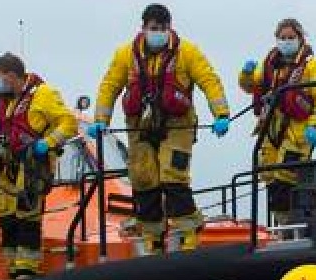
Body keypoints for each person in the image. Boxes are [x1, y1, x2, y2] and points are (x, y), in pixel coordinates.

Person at [90, 3, 231, 253]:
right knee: (143, 178)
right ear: (144, 28)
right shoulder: (125, 55)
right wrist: (101, 119)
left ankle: (188, 231)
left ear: (170, 27)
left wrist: (221, 114)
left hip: (178, 124)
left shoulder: (187, 52)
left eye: (163, 28)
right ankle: (152, 236)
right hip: (140, 126)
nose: (158, 32)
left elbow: (209, 80)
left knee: (172, 175)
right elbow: (110, 85)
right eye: (154, 28)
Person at [0, 54, 75, 279]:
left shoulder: (43, 94)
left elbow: (68, 123)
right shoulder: (4, 100)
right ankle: (13, 269)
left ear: (12, 76)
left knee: (27, 218)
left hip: (31, 165)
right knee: (7, 218)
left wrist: (48, 143)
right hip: (6, 168)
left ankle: (26, 269)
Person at [239, 18, 316, 234]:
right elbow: (251, 85)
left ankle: (292, 230)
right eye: (282, 38)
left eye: (291, 37)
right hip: (271, 131)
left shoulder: (311, 65)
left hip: (299, 133)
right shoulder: (270, 63)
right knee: (270, 178)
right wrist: (245, 74)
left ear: (300, 38)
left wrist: (315, 126)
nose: (286, 41)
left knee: (286, 178)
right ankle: (284, 230)